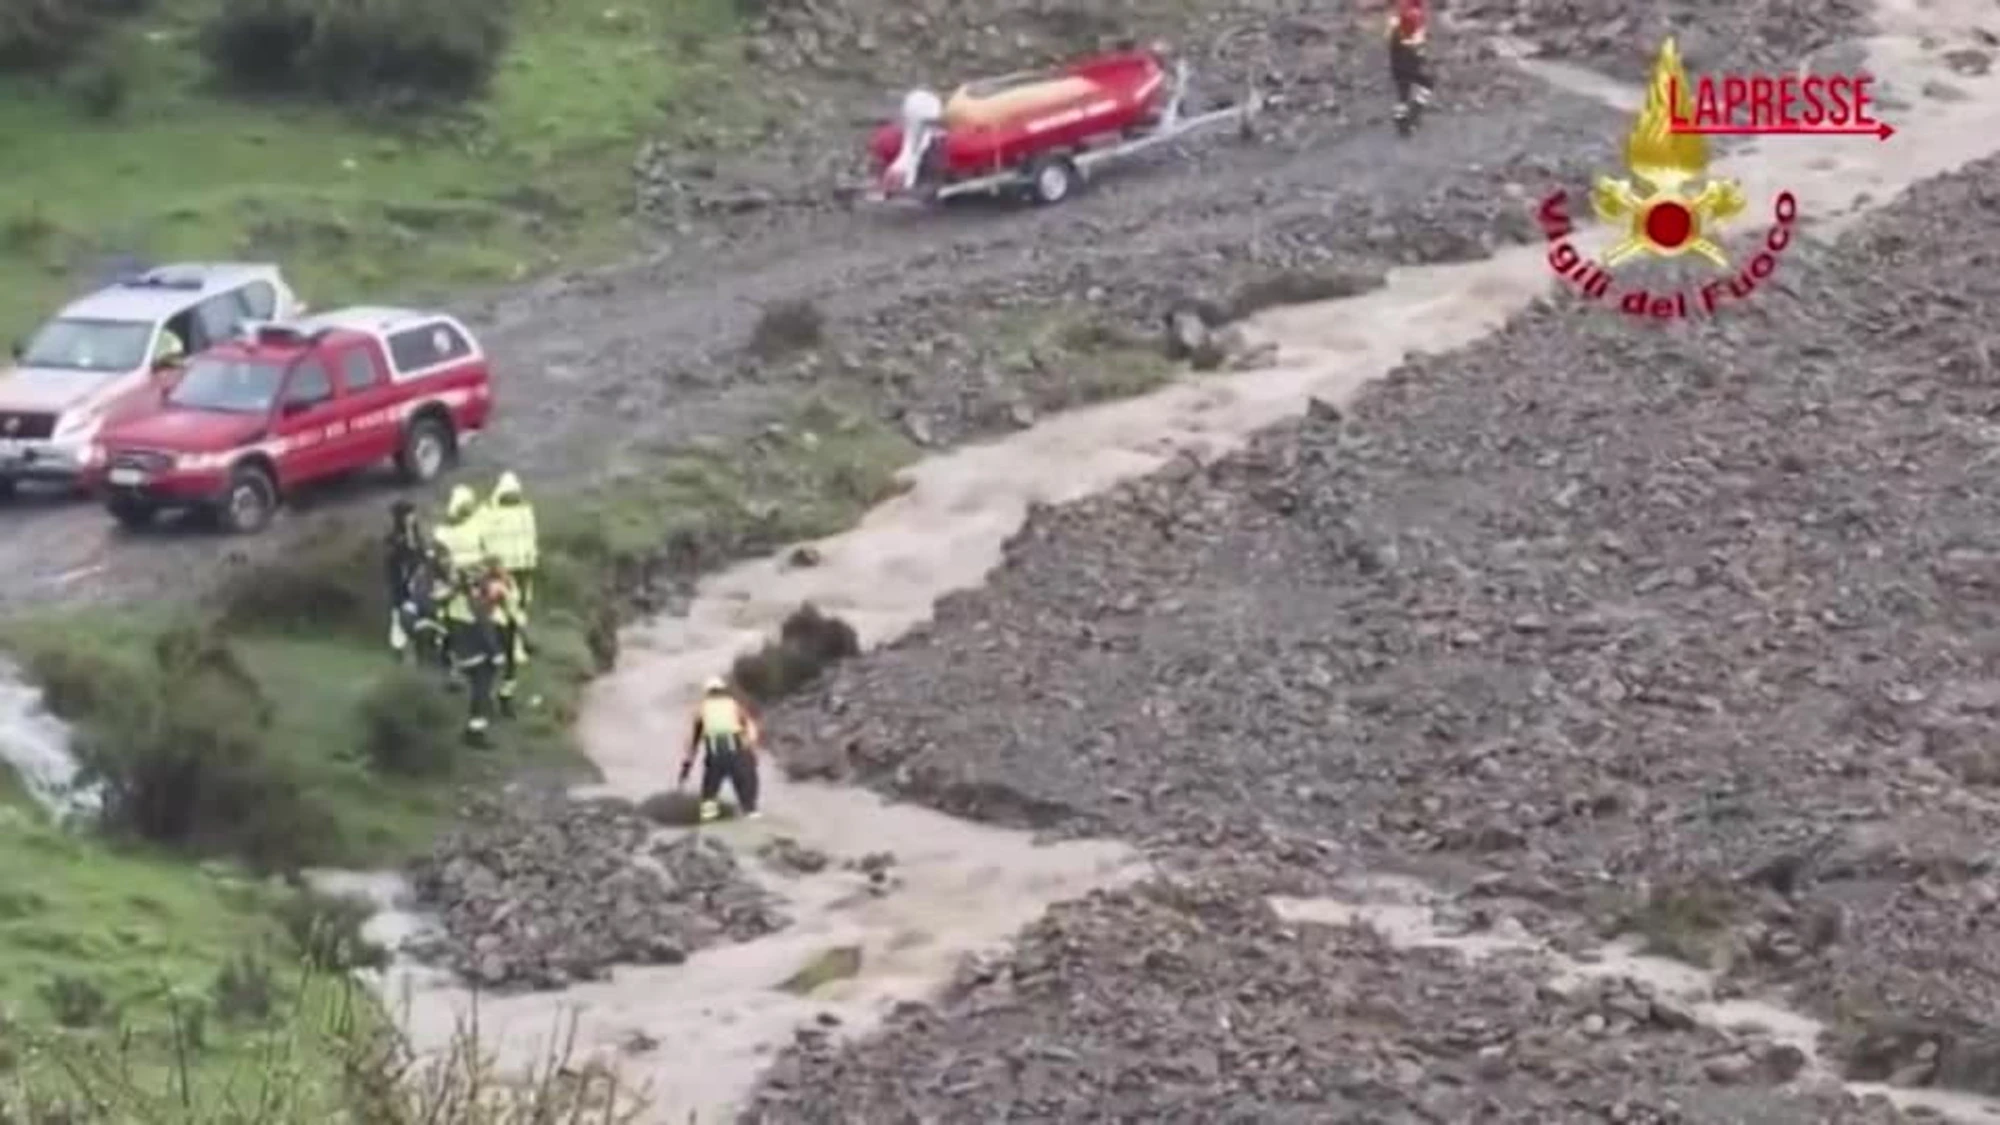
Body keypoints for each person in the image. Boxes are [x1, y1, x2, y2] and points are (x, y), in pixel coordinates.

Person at [441, 553, 504, 745]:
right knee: (481, 690)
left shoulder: (453, 601)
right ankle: (475, 732)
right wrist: (496, 654)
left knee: (475, 690)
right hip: (476, 653)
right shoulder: (475, 602)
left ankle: (474, 724)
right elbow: (484, 627)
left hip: (460, 651)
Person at [678, 678, 761, 822]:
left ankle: (708, 822)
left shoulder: (701, 710)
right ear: (724, 691)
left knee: (709, 795)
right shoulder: (734, 706)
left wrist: (686, 767)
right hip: (738, 754)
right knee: (748, 790)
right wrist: (752, 750)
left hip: (716, 757)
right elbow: (751, 728)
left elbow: (693, 743)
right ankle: (751, 813)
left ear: (707, 693)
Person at [477, 554, 529, 718]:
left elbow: (514, 602)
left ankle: (505, 698)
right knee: (494, 664)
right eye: (499, 566)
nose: (502, 569)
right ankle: (489, 700)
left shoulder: (509, 582)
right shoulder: (487, 584)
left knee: (510, 665)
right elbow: (487, 604)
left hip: (509, 623)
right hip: (495, 624)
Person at [482, 472, 539, 609]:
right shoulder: (526, 512)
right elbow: (530, 538)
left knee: (500, 600)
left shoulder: (490, 512)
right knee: (520, 598)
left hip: (501, 566)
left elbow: (485, 539)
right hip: (522, 563)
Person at [385, 500, 432, 660]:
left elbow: (421, 555)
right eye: (409, 514)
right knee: (398, 618)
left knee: (418, 617)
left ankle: (420, 651)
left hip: (418, 584)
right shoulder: (394, 539)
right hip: (401, 585)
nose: (413, 517)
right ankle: (398, 652)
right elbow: (394, 564)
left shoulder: (417, 537)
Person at [1387, 0, 1432, 136]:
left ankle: (1402, 119)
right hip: (1407, 61)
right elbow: (1414, 41)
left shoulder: (1398, 17)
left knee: (1403, 93)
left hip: (1397, 62)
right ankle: (1411, 114)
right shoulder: (1413, 16)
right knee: (1426, 84)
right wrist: (1420, 55)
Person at [432, 485, 486, 576]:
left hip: (478, 571)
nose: (471, 507)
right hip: (459, 574)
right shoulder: (442, 532)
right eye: (468, 504)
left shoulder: (478, 523)